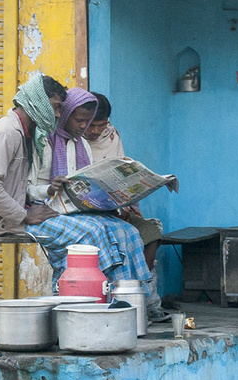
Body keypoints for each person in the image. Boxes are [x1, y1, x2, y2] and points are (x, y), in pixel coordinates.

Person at [24, 88, 157, 303]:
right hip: (42, 210)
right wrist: (49, 189)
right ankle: (83, 300)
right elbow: (26, 189)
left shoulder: (82, 144)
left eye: (89, 122)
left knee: (129, 232)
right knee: (94, 232)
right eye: (80, 121)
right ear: (66, 116)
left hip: (73, 211)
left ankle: (130, 300)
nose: (84, 127)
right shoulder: (44, 142)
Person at [83, 92, 170, 322]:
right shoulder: (71, 140)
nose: (94, 131)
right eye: (91, 125)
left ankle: (144, 299)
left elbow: (121, 172)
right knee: (123, 237)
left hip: (114, 210)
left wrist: (130, 203)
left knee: (151, 233)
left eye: (100, 126)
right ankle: (117, 302)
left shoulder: (111, 137)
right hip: (86, 214)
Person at [0, 72, 64, 238]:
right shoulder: (5, 133)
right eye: (55, 107)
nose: (58, 114)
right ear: (39, 103)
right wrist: (24, 215)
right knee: (84, 233)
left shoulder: (26, 134)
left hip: (13, 218)